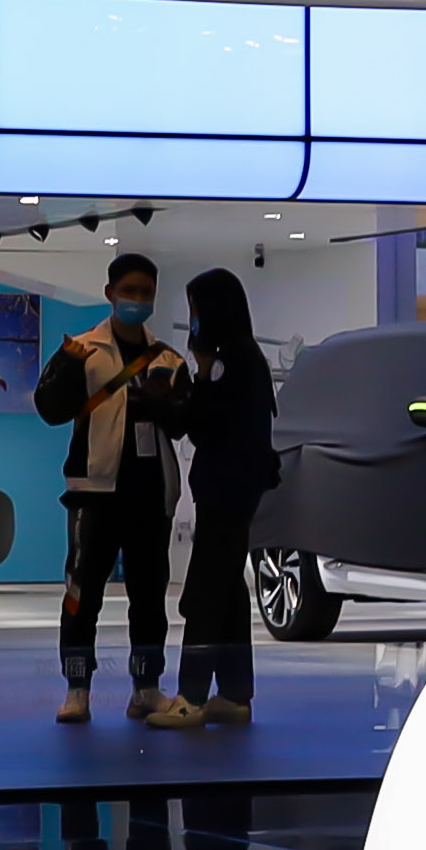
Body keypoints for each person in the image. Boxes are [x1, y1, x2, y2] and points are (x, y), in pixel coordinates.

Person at [34, 252, 187, 727]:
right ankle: (77, 689)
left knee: (149, 596)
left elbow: (182, 425)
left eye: (146, 292)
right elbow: (49, 409)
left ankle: (146, 688)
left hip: (150, 493)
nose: (138, 300)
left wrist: (163, 403)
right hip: (93, 492)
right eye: (130, 291)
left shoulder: (168, 359)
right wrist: (65, 366)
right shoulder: (83, 350)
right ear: (110, 294)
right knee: (82, 594)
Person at [170, 265, 283, 728]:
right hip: (236, 491)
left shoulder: (228, 363)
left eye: (196, 310)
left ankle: (191, 696)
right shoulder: (247, 359)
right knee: (229, 590)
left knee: (205, 592)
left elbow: (205, 427)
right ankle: (235, 694)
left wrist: (198, 375)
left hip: (226, 493)